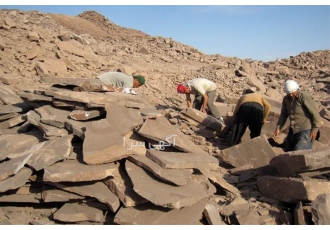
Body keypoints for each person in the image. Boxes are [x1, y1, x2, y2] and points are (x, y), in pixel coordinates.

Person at [273, 79, 321, 152]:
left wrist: (315, 130)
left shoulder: (304, 97)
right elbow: (283, 115)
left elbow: (314, 114)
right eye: (289, 93)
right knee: (287, 152)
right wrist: (278, 127)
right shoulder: (286, 99)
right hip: (293, 131)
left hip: (305, 130)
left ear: (296, 89)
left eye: (293, 93)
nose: (291, 95)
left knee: (298, 152)